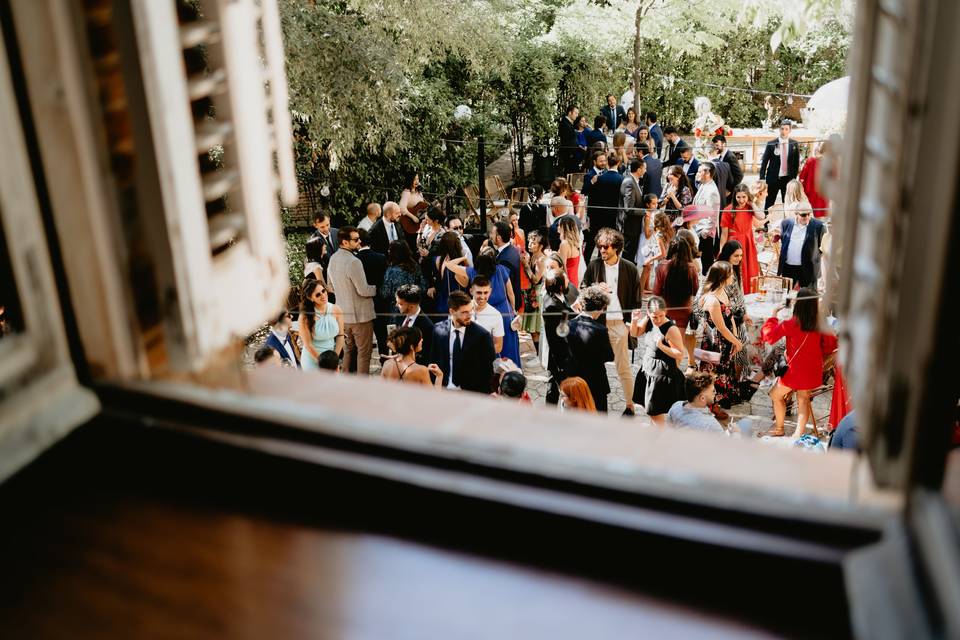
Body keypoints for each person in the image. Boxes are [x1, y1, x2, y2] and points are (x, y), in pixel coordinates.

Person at [580, 228, 642, 416]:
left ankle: (630, 406)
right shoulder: (594, 266)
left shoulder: (630, 268)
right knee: (594, 367)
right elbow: (583, 289)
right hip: (598, 325)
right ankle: (594, 405)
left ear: (616, 248)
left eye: (606, 247)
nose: (602, 251)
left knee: (623, 368)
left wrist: (629, 324)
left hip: (619, 325)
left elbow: (637, 300)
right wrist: (595, 288)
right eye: (600, 247)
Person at [762, 287, 838, 438]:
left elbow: (769, 336)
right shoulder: (821, 323)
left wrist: (773, 316)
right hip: (812, 370)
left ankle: (779, 428)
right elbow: (831, 345)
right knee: (803, 400)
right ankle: (797, 434)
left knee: (775, 396)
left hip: (794, 371)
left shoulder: (791, 323)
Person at [696, 261, 746, 417]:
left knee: (723, 371)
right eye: (730, 274)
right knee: (713, 374)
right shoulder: (712, 300)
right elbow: (721, 328)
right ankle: (711, 405)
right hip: (716, 343)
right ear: (723, 276)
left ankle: (716, 403)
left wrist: (736, 337)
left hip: (727, 341)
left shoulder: (724, 292)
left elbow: (730, 317)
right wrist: (737, 342)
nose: (733, 276)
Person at [327, 226, 377, 375]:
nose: (359, 241)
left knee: (348, 350)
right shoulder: (354, 262)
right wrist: (376, 288)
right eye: (356, 239)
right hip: (360, 316)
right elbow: (363, 290)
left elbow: (330, 286)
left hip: (342, 314)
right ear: (345, 242)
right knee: (364, 353)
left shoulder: (332, 259)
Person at [630, 296, 686, 425]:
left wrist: (661, 346)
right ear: (648, 313)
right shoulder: (649, 320)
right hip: (649, 371)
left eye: (661, 315)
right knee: (651, 412)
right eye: (655, 316)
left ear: (665, 311)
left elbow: (679, 354)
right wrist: (634, 320)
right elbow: (635, 333)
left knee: (656, 415)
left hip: (661, 377)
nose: (658, 320)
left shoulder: (671, 329)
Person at [428, 290, 496, 393]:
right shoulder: (438, 330)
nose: (469, 315)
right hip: (444, 390)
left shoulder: (482, 336)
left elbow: (488, 371)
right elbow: (433, 361)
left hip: (471, 394)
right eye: (464, 312)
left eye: (471, 310)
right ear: (452, 312)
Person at [461, 249, 520, 366]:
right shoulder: (501, 269)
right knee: (508, 346)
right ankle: (512, 372)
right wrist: (513, 310)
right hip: (504, 311)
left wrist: (463, 259)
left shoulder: (473, 271)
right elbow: (510, 292)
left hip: (483, 309)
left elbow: (450, 266)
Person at [566, 286, 615, 412]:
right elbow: (609, 356)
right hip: (595, 381)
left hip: (574, 379)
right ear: (599, 308)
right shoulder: (600, 330)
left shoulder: (568, 325)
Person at [654, 237, 700, 368]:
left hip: (665, 314)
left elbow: (656, 293)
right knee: (677, 350)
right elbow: (695, 291)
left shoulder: (662, 266)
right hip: (684, 313)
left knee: (664, 350)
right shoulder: (691, 269)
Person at [719, 184, 764, 293]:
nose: (741, 200)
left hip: (748, 242)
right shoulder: (728, 210)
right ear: (734, 196)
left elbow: (761, 216)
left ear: (748, 196)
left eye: (744, 196)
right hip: (734, 243)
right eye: (738, 197)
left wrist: (752, 203)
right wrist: (721, 249)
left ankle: (748, 294)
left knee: (750, 270)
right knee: (736, 270)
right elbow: (724, 234)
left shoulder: (750, 208)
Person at [716, 241, 750, 379]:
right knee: (731, 350)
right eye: (736, 256)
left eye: (741, 256)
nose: (739, 259)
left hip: (737, 316)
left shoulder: (735, 269)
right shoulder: (719, 269)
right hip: (723, 316)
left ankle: (737, 380)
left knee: (741, 348)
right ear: (727, 255)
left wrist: (745, 312)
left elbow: (739, 293)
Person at [582, 152, 624, 262]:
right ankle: (586, 261)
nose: (603, 163)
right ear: (594, 162)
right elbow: (584, 191)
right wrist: (592, 182)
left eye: (604, 161)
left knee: (604, 240)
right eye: (600, 161)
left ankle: (600, 261)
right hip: (597, 214)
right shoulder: (591, 175)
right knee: (593, 240)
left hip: (603, 214)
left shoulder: (604, 176)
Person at [356, 229, 389, 362]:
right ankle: (384, 359)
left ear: (358, 242)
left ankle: (364, 362)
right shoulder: (381, 257)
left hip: (362, 302)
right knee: (382, 335)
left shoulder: (355, 260)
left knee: (363, 337)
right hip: (380, 302)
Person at [542, 267, 573, 405]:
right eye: (566, 281)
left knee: (553, 388)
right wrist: (561, 365)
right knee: (560, 390)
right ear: (560, 286)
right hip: (558, 358)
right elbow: (554, 339)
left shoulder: (555, 297)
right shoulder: (552, 307)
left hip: (559, 357)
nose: (569, 282)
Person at [776, 205, 826, 289]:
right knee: (786, 295)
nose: (806, 217)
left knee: (808, 297)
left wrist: (814, 258)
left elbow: (822, 246)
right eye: (803, 215)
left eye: (808, 214)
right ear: (796, 214)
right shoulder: (786, 223)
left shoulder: (819, 226)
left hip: (808, 269)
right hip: (789, 267)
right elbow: (783, 241)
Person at [299, 279, 344, 371]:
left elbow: (340, 336)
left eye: (323, 291)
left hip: (331, 357)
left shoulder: (337, 310)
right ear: (311, 298)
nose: (323, 295)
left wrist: (334, 360)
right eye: (318, 294)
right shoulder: (305, 317)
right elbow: (308, 345)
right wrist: (324, 363)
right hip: (312, 358)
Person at [758, 120, 800, 211]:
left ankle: (787, 222)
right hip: (773, 178)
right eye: (782, 129)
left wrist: (794, 179)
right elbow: (765, 161)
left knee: (788, 202)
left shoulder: (794, 144)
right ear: (779, 129)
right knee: (770, 201)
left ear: (790, 130)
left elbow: (796, 163)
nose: (783, 131)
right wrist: (762, 177)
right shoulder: (771, 144)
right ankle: (766, 223)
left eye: (786, 129)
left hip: (787, 179)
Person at [380, 240, 427, 317]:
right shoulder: (415, 267)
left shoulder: (391, 271)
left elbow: (385, 293)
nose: (388, 251)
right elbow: (423, 287)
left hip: (397, 309)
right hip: (414, 307)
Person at [520, 230, 548, 352]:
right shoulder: (533, 256)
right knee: (533, 330)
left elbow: (536, 280)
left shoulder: (541, 259)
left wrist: (526, 265)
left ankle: (540, 355)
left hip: (538, 295)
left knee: (536, 329)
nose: (530, 244)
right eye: (529, 242)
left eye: (534, 243)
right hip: (531, 294)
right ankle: (539, 354)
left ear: (541, 246)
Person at [692, 162, 721, 274]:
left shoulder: (712, 191)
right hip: (698, 229)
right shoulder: (703, 185)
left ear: (707, 173)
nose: (697, 174)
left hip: (706, 233)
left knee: (706, 264)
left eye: (700, 171)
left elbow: (713, 215)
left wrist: (705, 233)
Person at [430, 231, 470, 314]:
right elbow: (465, 283)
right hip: (458, 304)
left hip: (442, 302)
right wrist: (464, 259)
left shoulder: (436, 260)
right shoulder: (460, 264)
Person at [394, 283, 434, 364]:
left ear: (411, 306)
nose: (396, 305)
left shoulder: (427, 326)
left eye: (400, 304)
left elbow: (425, 356)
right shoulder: (399, 315)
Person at [469, 275, 505, 356]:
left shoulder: (496, 315)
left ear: (490, 291)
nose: (482, 297)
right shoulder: (461, 310)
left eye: (486, 293)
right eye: (479, 292)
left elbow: (499, 346)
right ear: (471, 291)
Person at [491, 221, 522, 313]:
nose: (490, 235)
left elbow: (505, 287)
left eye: (492, 233)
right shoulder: (512, 249)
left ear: (499, 238)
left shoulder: (504, 260)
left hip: (507, 305)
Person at [620, 158, 647, 262]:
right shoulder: (629, 182)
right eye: (644, 168)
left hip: (634, 226)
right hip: (630, 227)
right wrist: (645, 212)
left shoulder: (634, 181)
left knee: (631, 256)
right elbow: (629, 208)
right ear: (639, 169)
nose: (645, 171)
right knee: (628, 257)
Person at [799, 141, 831, 218]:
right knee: (822, 216)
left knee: (810, 215)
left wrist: (803, 189)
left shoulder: (811, 161)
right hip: (823, 194)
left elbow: (802, 176)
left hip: (811, 193)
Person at [308, 212, 338, 283]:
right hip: (328, 279)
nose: (326, 229)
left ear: (329, 220)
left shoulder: (337, 232)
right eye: (322, 227)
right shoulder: (313, 242)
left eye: (327, 225)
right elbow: (315, 265)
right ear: (315, 225)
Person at [398, 172, 426, 242]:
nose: (417, 181)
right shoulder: (406, 192)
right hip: (409, 222)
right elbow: (402, 208)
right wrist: (413, 217)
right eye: (414, 179)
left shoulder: (419, 192)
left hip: (418, 223)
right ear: (410, 180)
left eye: (418, 179)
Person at [558, 104, 580, 175]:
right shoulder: (565, 123)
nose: (577, 115)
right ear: (570, 113)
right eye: (576, 113)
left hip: (572, 153)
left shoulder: (569, 123)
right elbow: (567, 140)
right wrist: (571, 153)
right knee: (570, 173)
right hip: (569, 154)